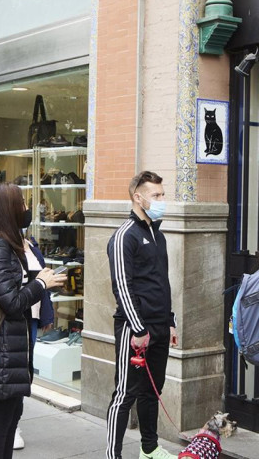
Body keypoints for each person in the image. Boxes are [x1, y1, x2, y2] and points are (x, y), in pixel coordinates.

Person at [0, 184, 67, 458]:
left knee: (9, 418)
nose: (27, 209)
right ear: (9, 209)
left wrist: (43, 284)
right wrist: (41, 283)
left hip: (9, 345)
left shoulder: (7, 243)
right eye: (22, 204)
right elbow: (12, 302)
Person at [105, 171, 179, 459]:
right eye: (156, 195)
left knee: (152, 390)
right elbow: (122, 286)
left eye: (162, 194)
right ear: (138, 197)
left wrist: (170, 321)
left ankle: (149, 449)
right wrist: (138, 329)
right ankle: (113, 454)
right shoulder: (125, 235)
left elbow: (162, 281)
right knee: (125, 393)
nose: (161, 200)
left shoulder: (157, 234)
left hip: (159, 327)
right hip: (133, 329)